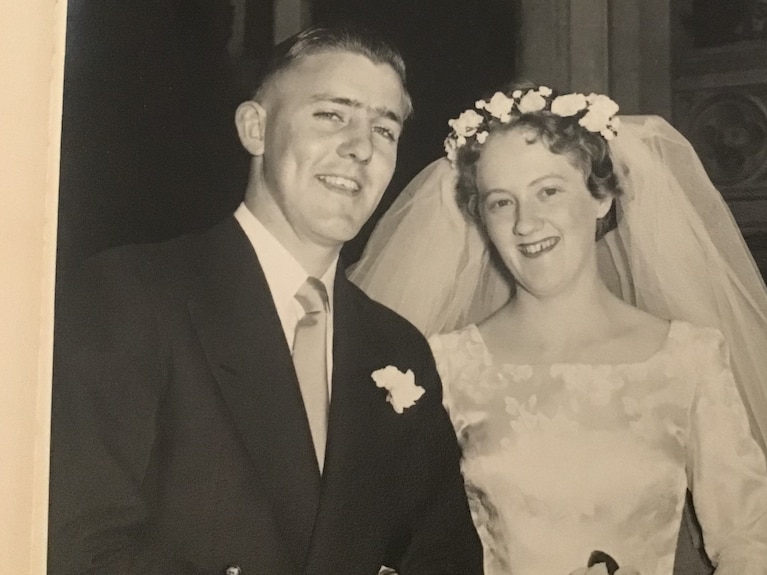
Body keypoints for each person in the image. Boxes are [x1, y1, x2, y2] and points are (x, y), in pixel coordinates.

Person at [48, 25, 483, 575]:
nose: (361, 147)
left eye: (385, 129)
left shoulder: (398, 348)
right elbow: (79, 540)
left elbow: (445, 559)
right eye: (332, 114)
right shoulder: (130, 296)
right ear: (256, 128)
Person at [350, 86, 767, 574]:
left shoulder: (687, 358)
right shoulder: (445, 366)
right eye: (501, 202)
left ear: (601, 197)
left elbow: (749, 539)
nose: (526, 223)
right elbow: (397, 545)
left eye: (549, 191)